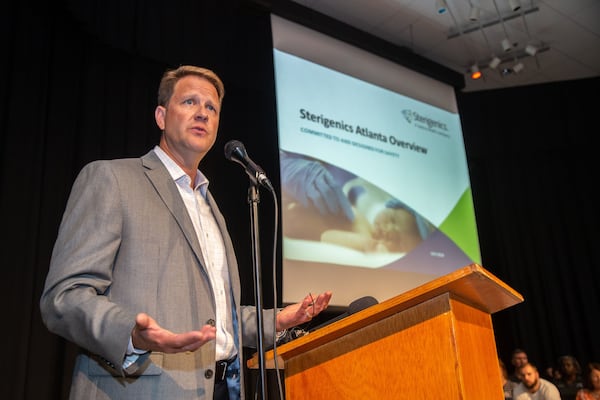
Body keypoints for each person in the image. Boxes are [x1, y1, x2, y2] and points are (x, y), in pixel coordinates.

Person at [39, 65, 332, 400]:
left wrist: (278, 320)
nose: (202, 114)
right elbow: (64, 297)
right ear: (161, 116)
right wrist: (132, 335)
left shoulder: (210, 206)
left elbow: (218, 318)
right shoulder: (112, 180)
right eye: (190, 102)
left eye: (211, 108)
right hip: (142, 389)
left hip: (223, 388)